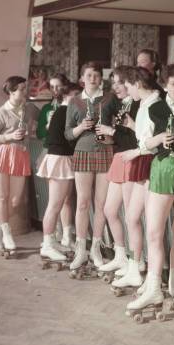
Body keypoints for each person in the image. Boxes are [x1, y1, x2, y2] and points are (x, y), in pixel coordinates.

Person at [126, 64, 174, 314]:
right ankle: (153, 285)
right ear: (165, 85)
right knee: (154, 231)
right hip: (163, 167)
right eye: (173, 83)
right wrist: (157, 140)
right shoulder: (153, 107)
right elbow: (142, 141)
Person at [110, 66, 161, 291]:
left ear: (137, 84)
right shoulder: (144, 105)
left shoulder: (157, 105)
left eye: (127, 85)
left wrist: (137, 151)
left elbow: (161, 141)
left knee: (152, 226)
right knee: (131, 217)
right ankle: (135, 266)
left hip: (152, 164)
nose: (125, 90)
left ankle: (152, 278)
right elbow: (144, 135)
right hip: (143, 160)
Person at [65, 62, 115, 271]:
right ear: (82, 79)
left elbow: (118, 126)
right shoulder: (74, 102)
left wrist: (109, 134)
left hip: (105, 153)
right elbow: (67, 134)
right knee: (83, 203)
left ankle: (96, 247)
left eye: (96, 75)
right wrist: (80, 128)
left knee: (101, 203)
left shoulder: (111, 98)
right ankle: (80, 249)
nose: (93, 78)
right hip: (83, 153)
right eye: (89, 75)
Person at [0, 76, 39, 254]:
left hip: (20, 155)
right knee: (2, 197)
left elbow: (43, 119)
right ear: (11, 91)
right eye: (22, 89)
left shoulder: (29, 109)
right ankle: (7, 231)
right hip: (1, 155)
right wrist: (9, 136)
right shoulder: (0, 113)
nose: (25, 91)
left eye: (25, 88)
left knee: (15, 200)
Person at [95, 66, 140, 277]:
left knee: (132, 216)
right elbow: (121, 137)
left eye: (119, 83)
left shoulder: (138, 104)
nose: (116, 88)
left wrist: (111, 131)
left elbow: (137, 138)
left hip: (133, 158)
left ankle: (135, 260)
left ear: (130, 82)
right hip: (119, 157)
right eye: (113, 84)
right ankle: (121, 255)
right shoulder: (123, 104)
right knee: (109, 210)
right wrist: (107, 136)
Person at [36, 82, 82, 262]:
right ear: (66, 97)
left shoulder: (63, 112)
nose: (78, 99)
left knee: (61, 203)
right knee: (54, 204)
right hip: (59, 159)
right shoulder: (64, 113)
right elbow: (64, 139)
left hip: (61, 158)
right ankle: (47, 245)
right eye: (75, 96)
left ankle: (57, 240)